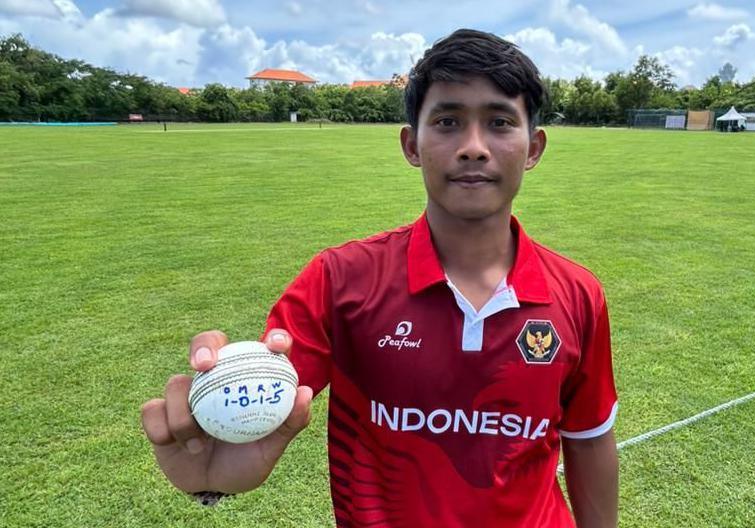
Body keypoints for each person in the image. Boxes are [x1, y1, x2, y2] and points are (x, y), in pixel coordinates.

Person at [141, 28, 619, 527]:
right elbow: (267, 393)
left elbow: (589, 440)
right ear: (412, 145)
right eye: (448, 121)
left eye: (500, 122)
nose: (474, 147)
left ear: (533, 147)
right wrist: (216, 463)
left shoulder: (577, 294)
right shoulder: (339, 279)